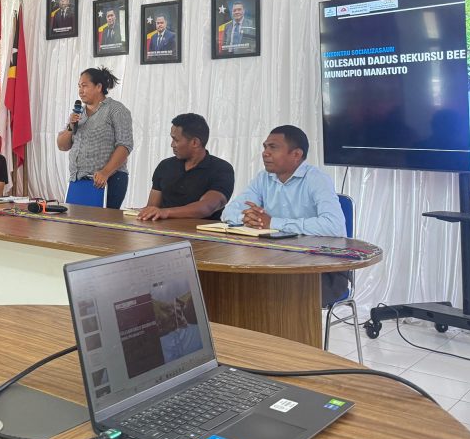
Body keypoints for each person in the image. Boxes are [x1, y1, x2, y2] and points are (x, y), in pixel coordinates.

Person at [220, 125, 348, 303]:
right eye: (265, 147)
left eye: (273, 147)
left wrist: (272, 222)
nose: (265, 153)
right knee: (231, 285)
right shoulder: (263, 178)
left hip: (321, 267)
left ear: (296, 154)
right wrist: (249, 219)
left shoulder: (317, 179)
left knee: (273, 293)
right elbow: (229, 212)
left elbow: (334, 226)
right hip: (275, 260)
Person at [57, 67, 133, 209]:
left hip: (108, 179)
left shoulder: (116, 109)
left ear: (99, 87)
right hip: (78, 181)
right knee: (74, 221)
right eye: (79, 86)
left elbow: (125, 145)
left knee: (102, 223)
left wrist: (105, 172)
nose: (80, 91)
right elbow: (62, 146)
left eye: (84, 86)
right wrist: (70, 126)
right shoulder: (78, 113)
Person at [137, 114, 234, 221]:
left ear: (195, 142)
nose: (172, 145)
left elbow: (207, 207)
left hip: (199, 231)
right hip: (161, 230)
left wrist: (165, 212)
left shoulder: (222, 169)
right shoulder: (165, 166)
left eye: (176, 140)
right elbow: (151, 208)